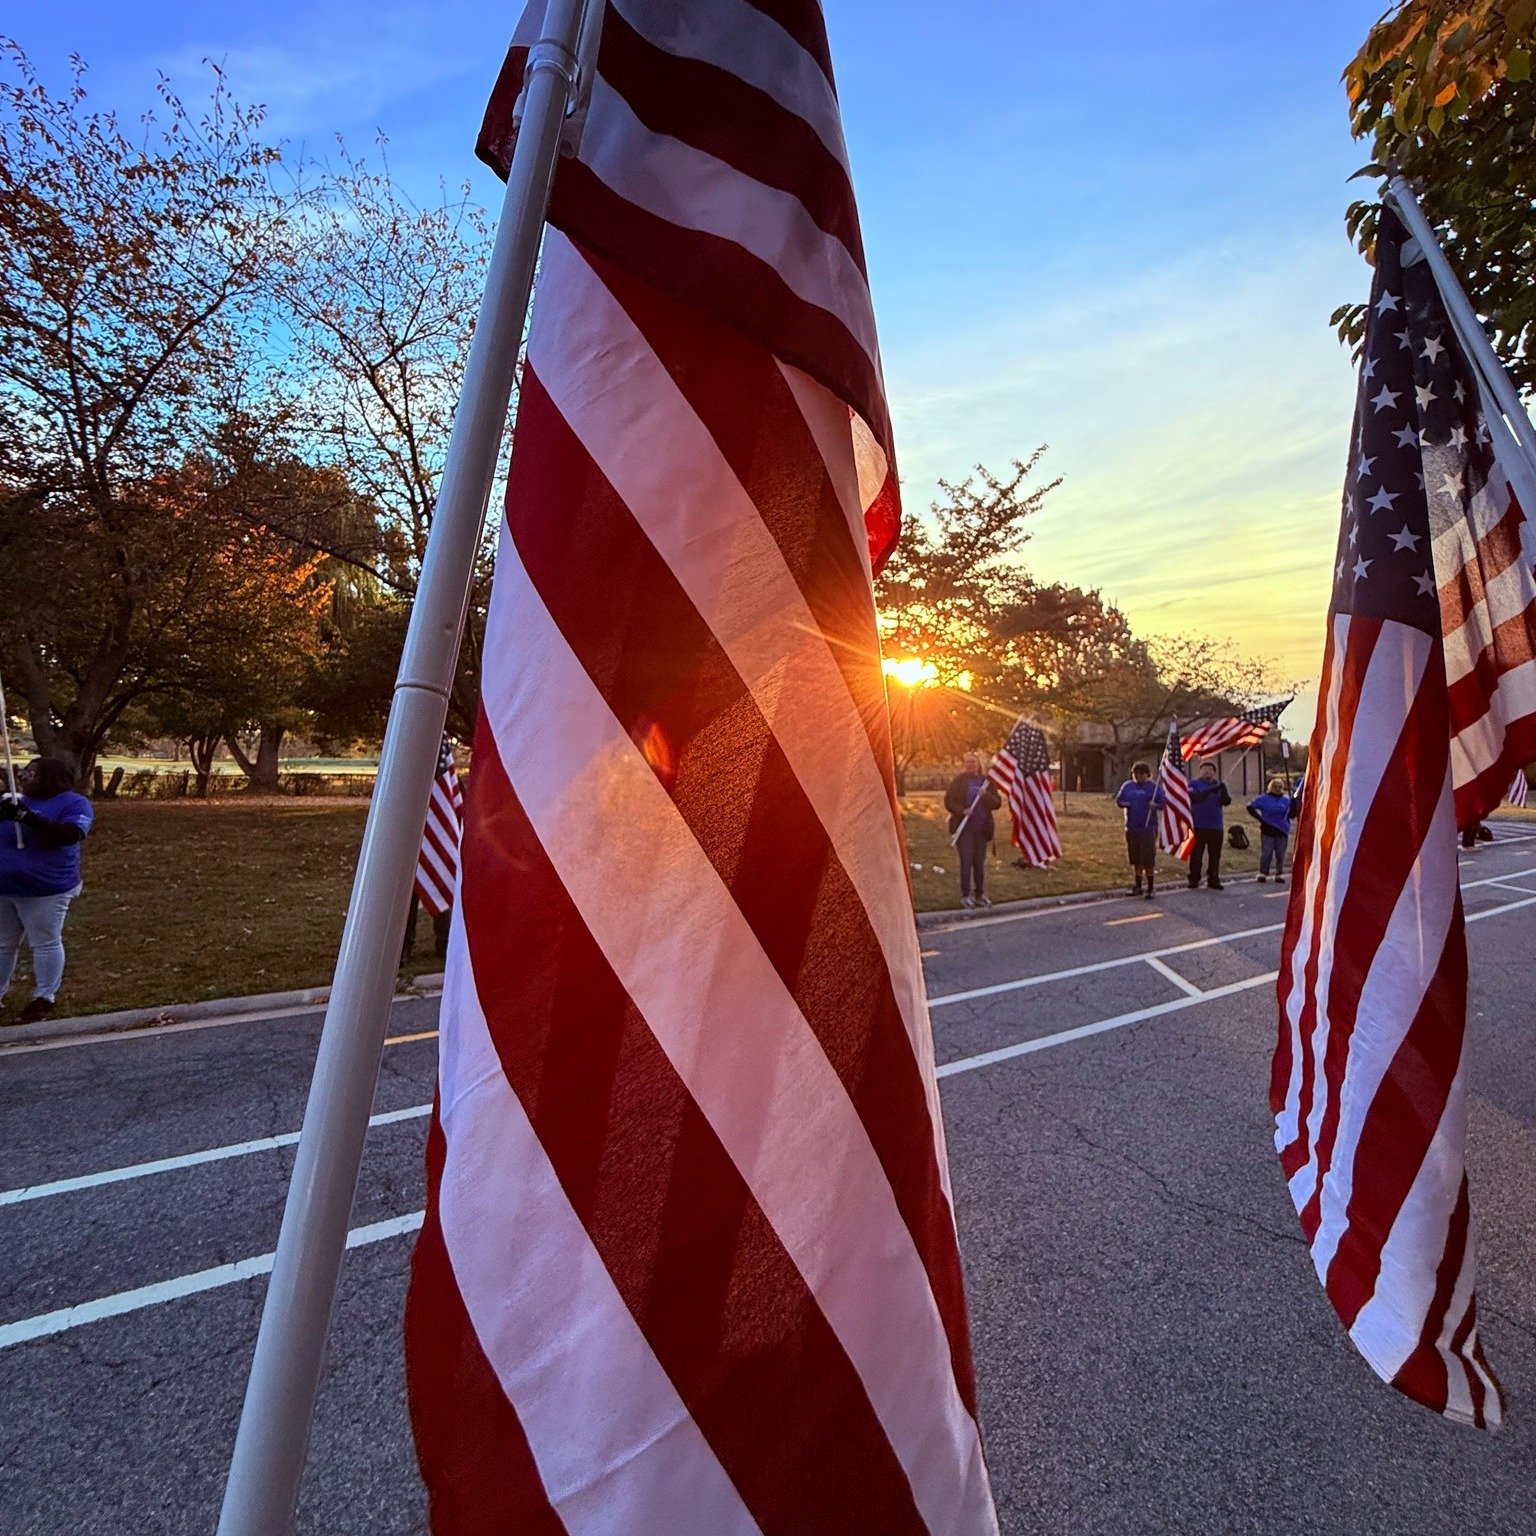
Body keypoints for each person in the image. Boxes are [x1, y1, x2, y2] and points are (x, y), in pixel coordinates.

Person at [0, 757, 94, 1024]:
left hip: (45, 888)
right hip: (5, 886)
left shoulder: (74, 803)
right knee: (3, 944)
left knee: (44, 941)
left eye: (32, 772)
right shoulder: (12, 799)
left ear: (52, 778)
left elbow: (68, 835)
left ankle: (44, 997)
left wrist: (30, 819)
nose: (24, 776)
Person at [944, 751, 1002, 909]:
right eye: (967, 762)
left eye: (972, 762)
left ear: (978, 764)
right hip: (965, 829)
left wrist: (985, 796)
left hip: (982, 828)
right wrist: (962, 810)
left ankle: (980, 894)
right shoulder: (959, 781)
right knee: (966, 861)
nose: (969, 764)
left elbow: (997, 803)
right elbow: (949, 801)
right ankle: (966, 895)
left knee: (979, 863)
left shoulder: (986, 782)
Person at [1115, 761, 1165, 898]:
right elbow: (1119, 800)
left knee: (1147, 859)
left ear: (1147, 775)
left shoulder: (1154, 788)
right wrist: (1124, 803)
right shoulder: (1128, 786)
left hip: (1148, 828)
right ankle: (1138, 886)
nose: (1137, 776)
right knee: (1136, 858)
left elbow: (1162, 804)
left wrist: (1154, 805)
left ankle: (1150, 887)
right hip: (1132, 827)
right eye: (1135, 774)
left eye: (1141, 774)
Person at [1186, 760, 1231, 890]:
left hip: (1216, 826)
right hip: (1198, 825)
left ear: (1214, 772)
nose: (1207, 771)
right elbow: (1196, 797)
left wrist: (1223, 790)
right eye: (1204, 769)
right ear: (1200, 771)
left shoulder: (1219, 785)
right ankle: (1194, 878)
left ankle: (1213, 879)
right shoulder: (1193, 784)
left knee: (1215, 855)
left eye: (1210, 769)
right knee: (1196, 854)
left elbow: (1226, 802)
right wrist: (1212, 789)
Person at [1247, 776, 1295, 883]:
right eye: (1274, 786)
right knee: (1266, 852)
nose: (1277, 788)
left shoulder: (1287, 799)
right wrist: (1260, 818)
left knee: (1280, 853)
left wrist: (1294, 806)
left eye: (1279, 786)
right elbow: (1250, 806)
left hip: (1282, 830)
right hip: (1268, 829)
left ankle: (1279, 874)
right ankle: (1263, 873)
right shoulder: (1264, 798)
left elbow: (1291, 815)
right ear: (1270, 787)